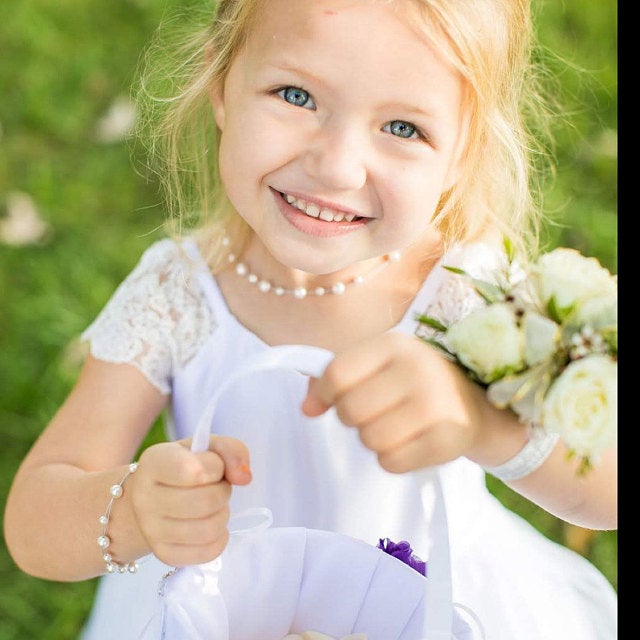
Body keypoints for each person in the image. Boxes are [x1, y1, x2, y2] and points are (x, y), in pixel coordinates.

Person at [3, 0, 617, 638]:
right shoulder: (176, 295)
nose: (335, 167)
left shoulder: (467, 300)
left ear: (463, 150)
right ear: (221, 87)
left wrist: (480, 423)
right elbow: (33, 524)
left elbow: (605, 490)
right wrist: (132, 511)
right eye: (295, 95)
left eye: (404, 128)